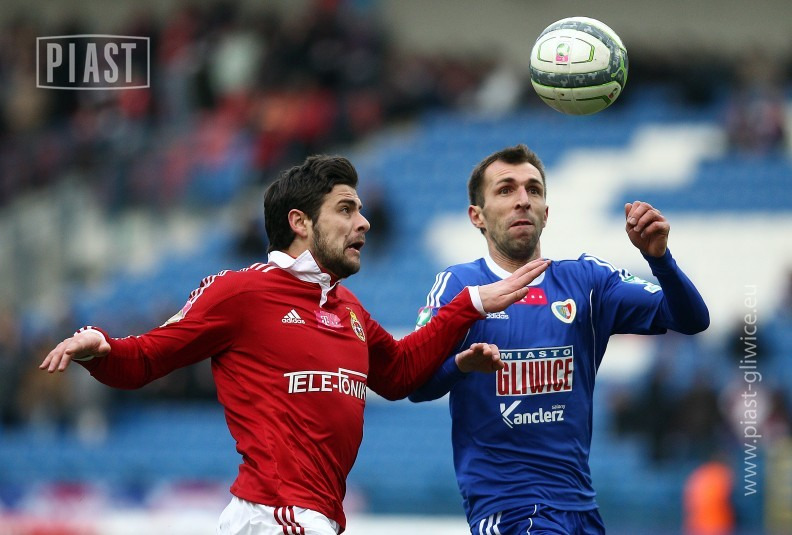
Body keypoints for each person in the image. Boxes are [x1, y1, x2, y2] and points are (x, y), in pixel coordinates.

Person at [40, 154, 549, 535]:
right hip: (277, 513)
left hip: (307, 516)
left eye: (360, 209)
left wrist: (466, 319)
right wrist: (104, 350)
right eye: (346, 209)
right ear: (300, 222)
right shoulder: (241, 292)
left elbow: (398, 376)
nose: (364, 222)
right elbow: (146, 359)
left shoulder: (347, 308)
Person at [409, 144, 709, 534]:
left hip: (580, 506)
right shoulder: (460, 287)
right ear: (476, 216)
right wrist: (460, 366)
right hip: (510, 510)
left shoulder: (587, 282)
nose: (522, 200)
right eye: (506, 189)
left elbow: (691, 319)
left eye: (533, 190)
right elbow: (415, 384)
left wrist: (660, 260)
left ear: (546, 213)